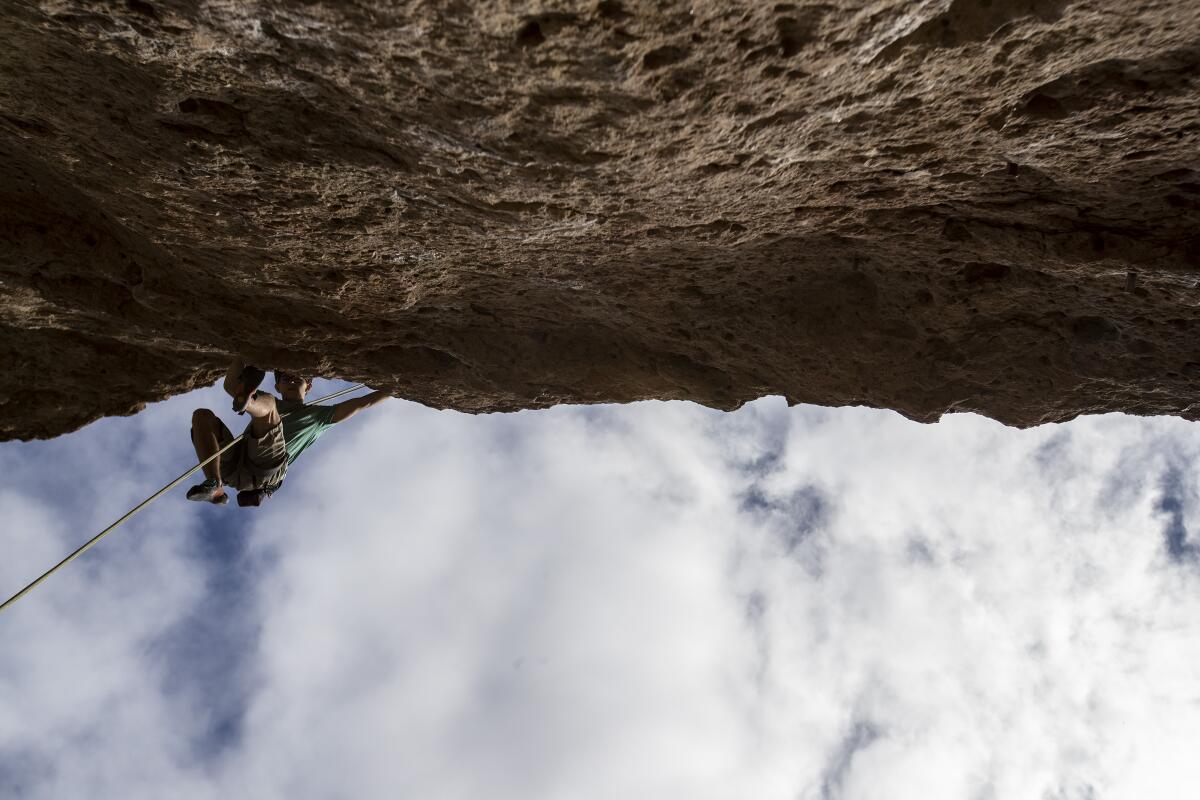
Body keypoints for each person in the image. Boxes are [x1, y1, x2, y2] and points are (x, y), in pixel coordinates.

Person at [186, 360, 390, 506]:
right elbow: (232, 381)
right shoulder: (271, 399)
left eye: (296, 377)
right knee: (201, 416)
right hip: (234, 470)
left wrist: (395, 388)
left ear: (308, 386)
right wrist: (245, 354)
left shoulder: (320, 416)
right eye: (285, 377)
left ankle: (245, 399)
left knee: (268, 408)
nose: (290, 379)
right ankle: (214, 485)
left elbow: (364, 403)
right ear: (278, 385)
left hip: (266, 469)